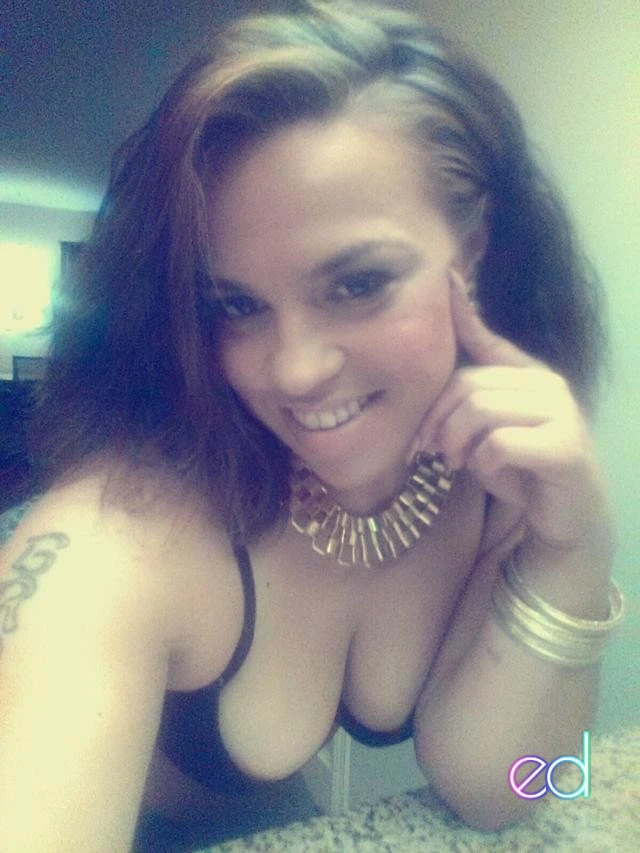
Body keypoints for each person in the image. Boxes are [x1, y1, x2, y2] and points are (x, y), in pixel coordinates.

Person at [0, 1, 624, 849]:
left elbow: (517, 787)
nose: (293, 370)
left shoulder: (492, 477)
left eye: (358, 283)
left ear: (474, 251)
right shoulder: (111, 545)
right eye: (235, 304)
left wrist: (576, 550)